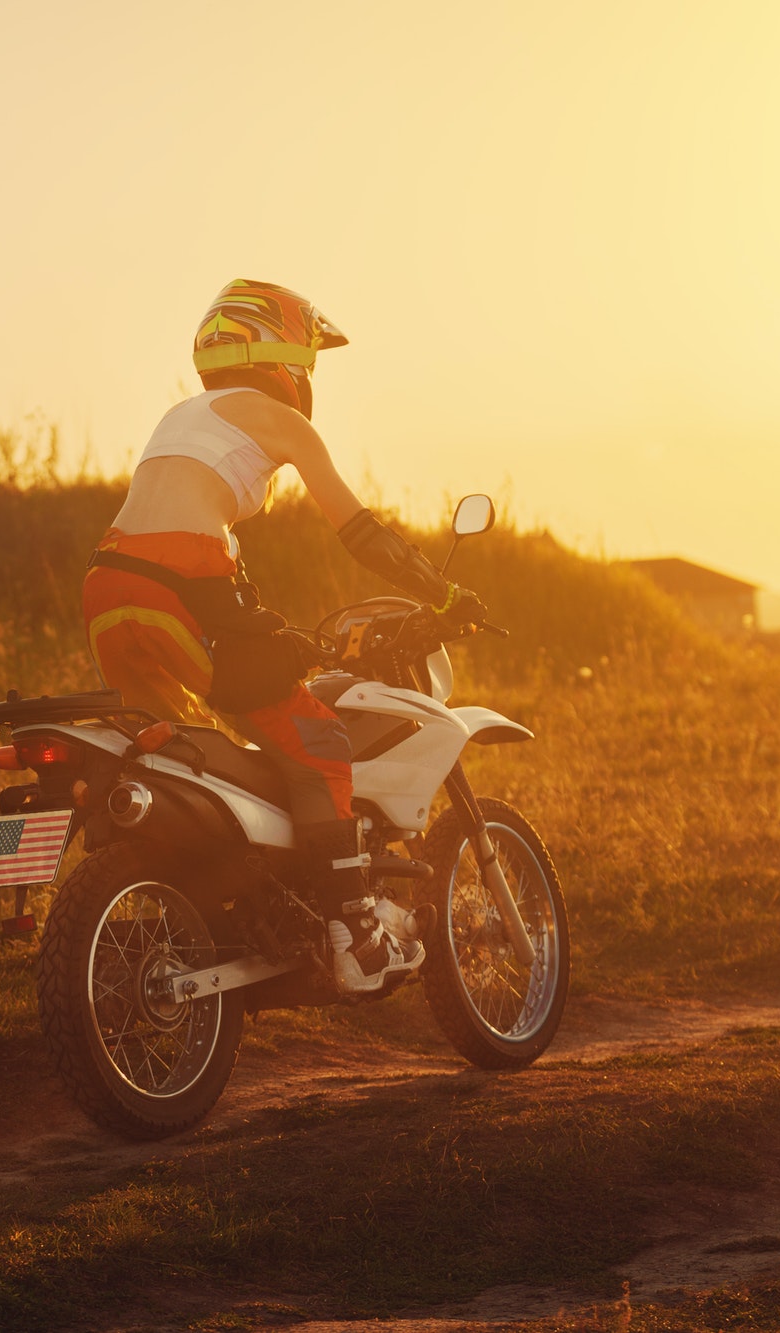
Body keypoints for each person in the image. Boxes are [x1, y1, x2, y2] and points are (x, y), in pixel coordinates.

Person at [81, 279, 485, 994]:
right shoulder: (283, 420)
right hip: (183, 579)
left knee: (189, 754)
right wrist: (445, 593)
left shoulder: (183, 418)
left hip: (107, 586)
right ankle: (357, 939)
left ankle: (215, 916)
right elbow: (360, 532)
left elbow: (195, 538)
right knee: (320, 744)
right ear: (283, 354)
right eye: (309, 361)